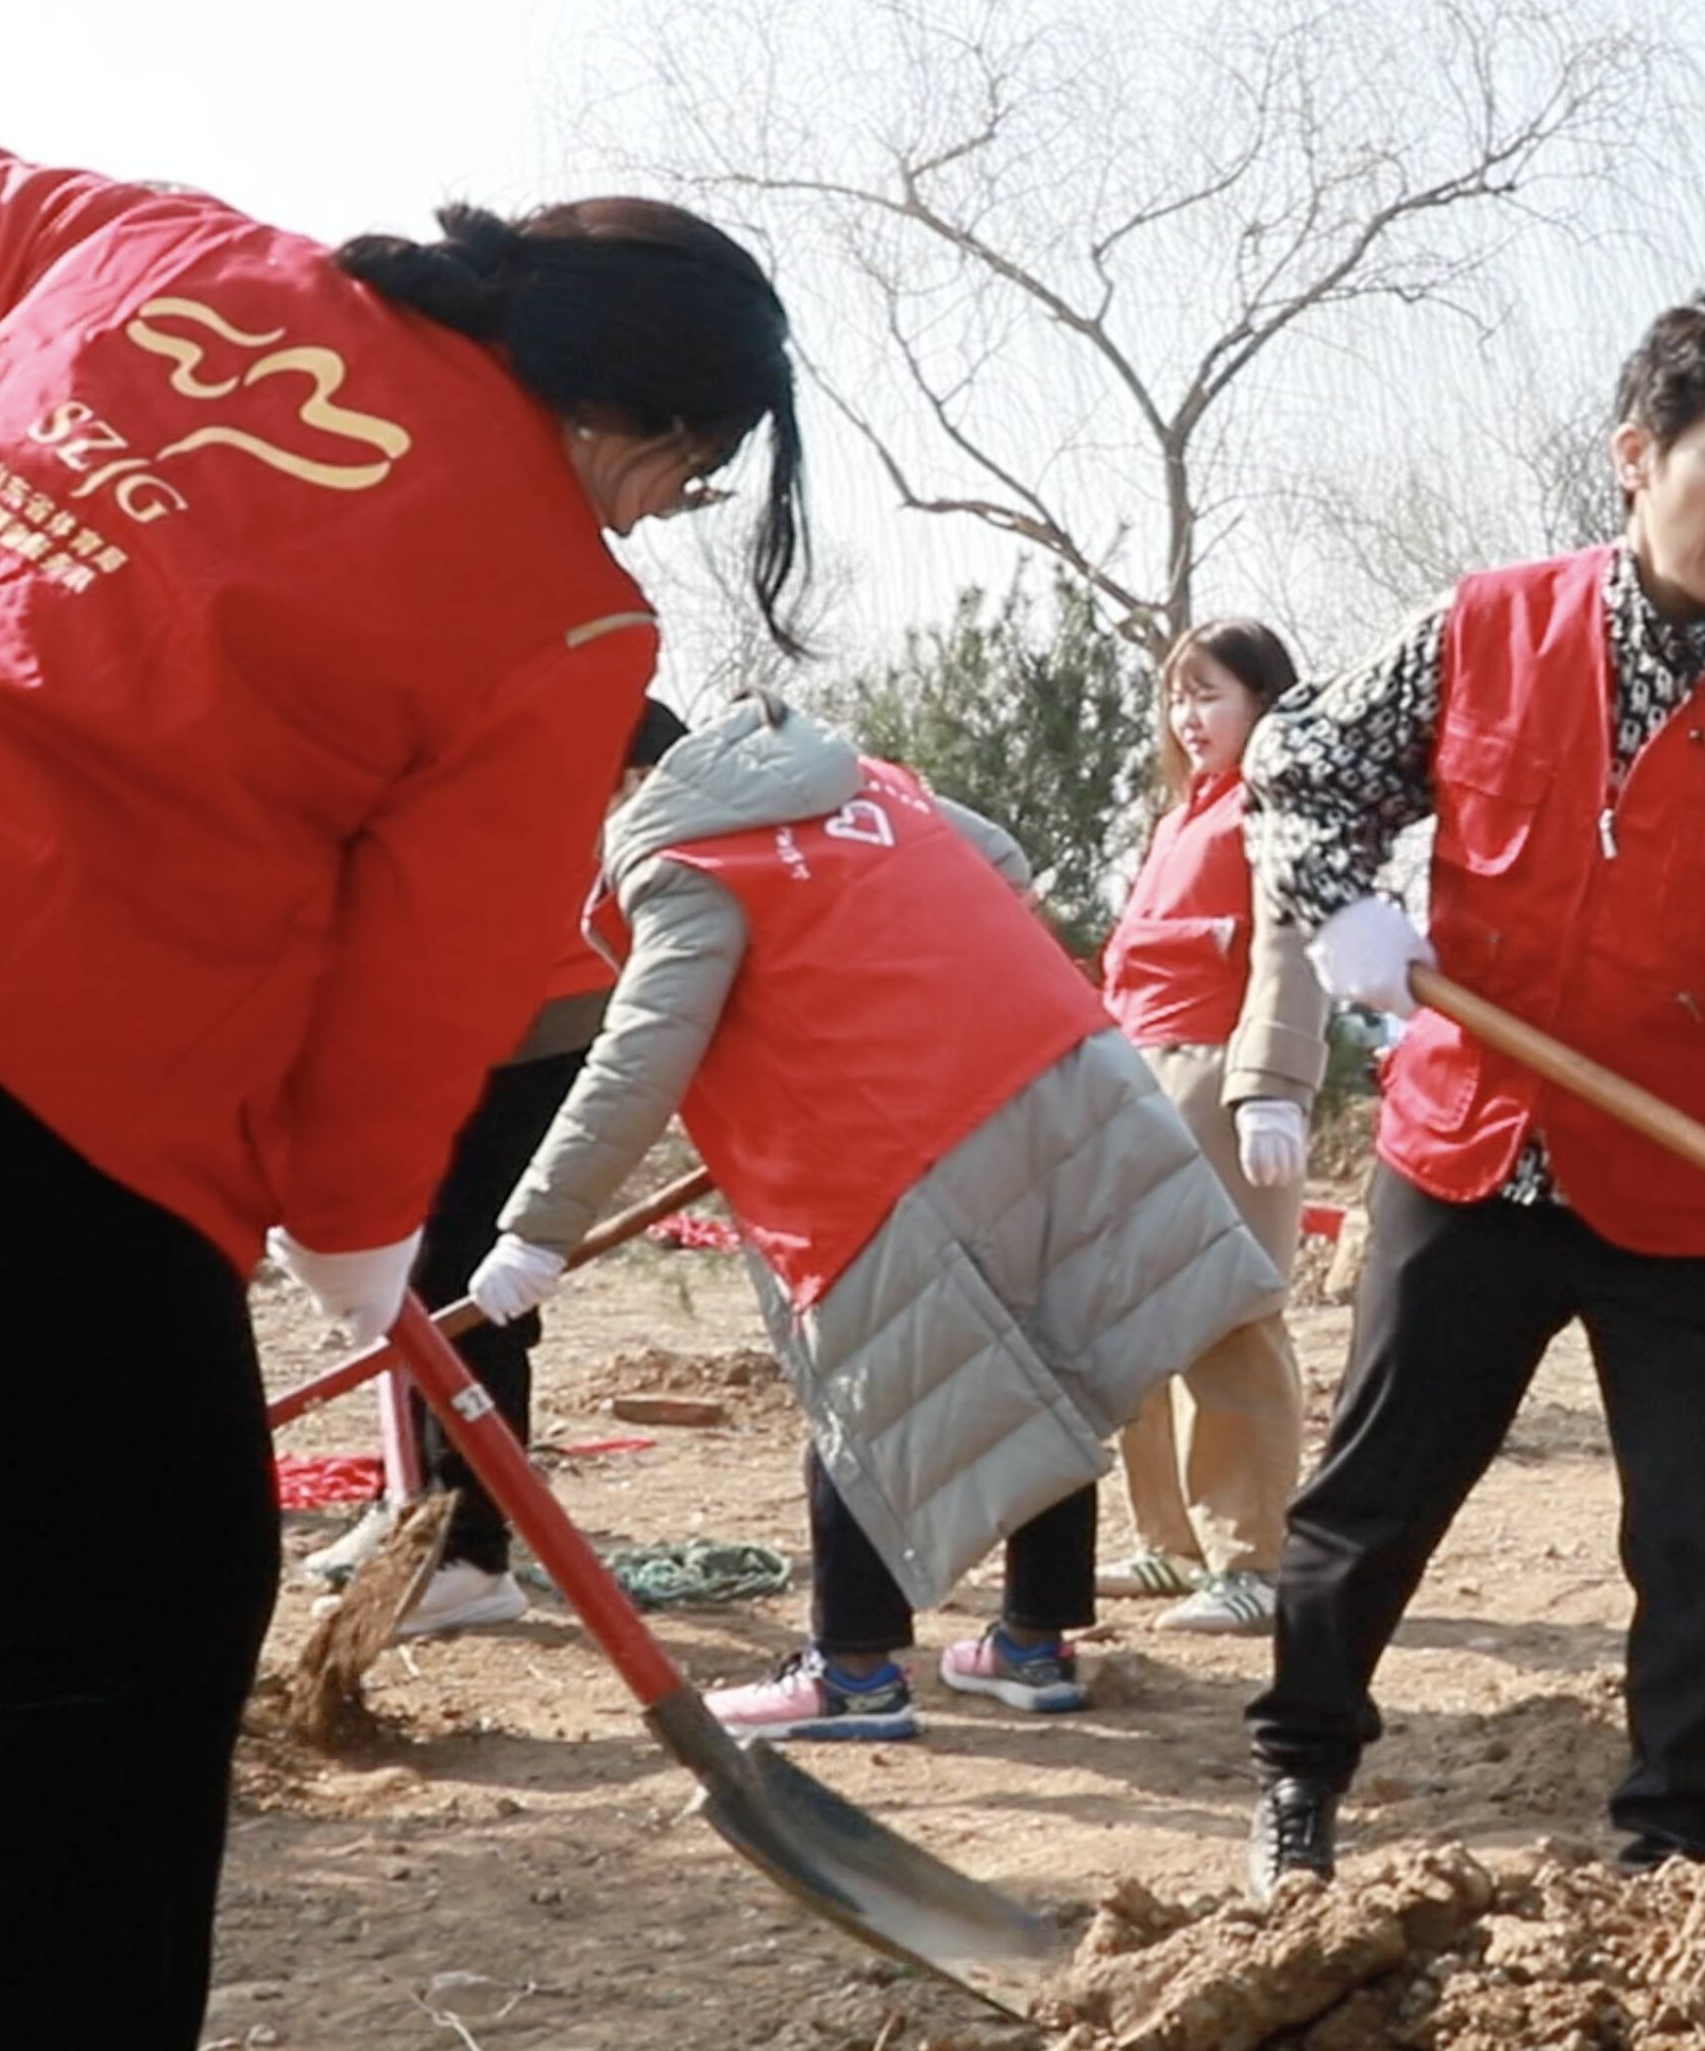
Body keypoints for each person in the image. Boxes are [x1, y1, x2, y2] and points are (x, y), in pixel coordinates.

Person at [0, 137, 804, 2051]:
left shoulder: (160, 249)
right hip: (0, 1077)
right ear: (655, 429)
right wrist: (351, 1226)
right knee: (123, 1647)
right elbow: (431, 981)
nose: (656, 519)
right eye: (679, 483)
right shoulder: (560, 599)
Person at [1240, 295, 1705, 1894]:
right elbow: (1297, 768)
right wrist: (1340, 903)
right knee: (1375, 1501)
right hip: (1471, 1153)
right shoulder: (1479, 630)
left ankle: (1681, 1852)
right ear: (1637, 458)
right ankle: (1299, 1779)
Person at [464, 693, 1284, 1742]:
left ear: (622, 784)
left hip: (889, 1139)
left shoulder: (683, 857)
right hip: (1061, 1078)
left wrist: (538, 1227)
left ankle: (851, 1670)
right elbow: (1004, 865)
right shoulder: (868, 782)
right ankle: (1031, 1648)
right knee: (1056, 1352)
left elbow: (643, 1049)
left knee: (861, 1388)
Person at [306, 695, 696, 1637]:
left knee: (464, 1275)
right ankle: (419, 1510)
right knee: (407, 1268)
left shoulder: (588, 703)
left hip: (546, 1023)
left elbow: (661, 760)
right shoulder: (432, 690)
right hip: (440, 1022)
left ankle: (473, 1550)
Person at [1093, 616, 1323, 1636]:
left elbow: (1289, 951)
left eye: (1211, 695)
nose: (1189, 717)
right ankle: (1167, 1541)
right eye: (1178, 696)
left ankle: (1253, 1557)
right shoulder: (1179, 813)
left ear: (1265, 703)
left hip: (1218, 1078)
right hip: (1135, 1076)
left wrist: (1271, 1082)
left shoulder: (1275, 810)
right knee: (1134, 1316)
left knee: (1227, 1317)